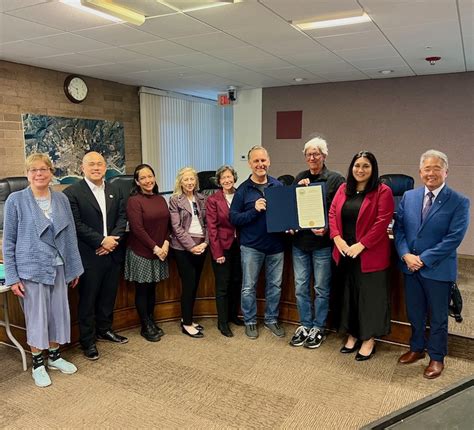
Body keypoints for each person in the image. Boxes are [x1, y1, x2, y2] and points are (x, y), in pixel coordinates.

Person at [3, 153, 84, 388]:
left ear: (51, 172)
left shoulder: (61, 199)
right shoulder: (15, 201)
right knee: (37, 317)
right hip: (32, 269)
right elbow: (8, 242)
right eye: (33, 170)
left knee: (58, 313)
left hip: (58, 266)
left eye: (43, 169)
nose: (39, 174)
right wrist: (13, 276)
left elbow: (69, 236)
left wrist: (74, 267)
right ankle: (38, 363)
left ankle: (55, 357)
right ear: (27, 174)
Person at [394, 150, 469, 379]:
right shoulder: (409, 196)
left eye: (437, 168)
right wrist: (405, 254)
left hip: (437, 269)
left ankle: (436, 357)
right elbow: (399, 229)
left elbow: (454, 238)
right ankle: (416, 348)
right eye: (427, 168)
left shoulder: (459, 201)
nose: (431, 173)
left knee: (437, 317)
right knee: (415, 313)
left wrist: (423, 259)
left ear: (446, 172)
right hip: (410, 266)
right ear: (420, 172)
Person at [329, 151, 394, 361]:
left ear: (373, 169)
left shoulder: (382, 191)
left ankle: (369, 339)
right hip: (344, 252)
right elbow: (332, 213)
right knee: (348, 295)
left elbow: (382, 222)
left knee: (369, 298)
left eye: (366, 166)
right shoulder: (343, 188)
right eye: (357, 165)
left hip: (369, 254)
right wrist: (337, 238)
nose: (360, 170)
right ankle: (352, 334)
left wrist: (362, 245)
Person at [64, 151, 128, 361]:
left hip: (112, 253)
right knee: (88, 299)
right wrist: (101, 241)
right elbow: (76, 224)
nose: (96, 168)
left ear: (105, 167)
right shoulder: (72, 192)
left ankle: (105, 329)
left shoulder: (115, 189)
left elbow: (122, 217)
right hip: (89, 254)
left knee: (108, 295)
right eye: (91, 164)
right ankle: (88, 340)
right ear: (82, 168)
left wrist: (112, 241)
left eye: (100, 164)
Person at [289, 136, 345, 349]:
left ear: (324, 156)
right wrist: (290, 223)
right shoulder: (300, 177)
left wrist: (328, 229)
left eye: (316, 154)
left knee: (321, 288)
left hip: (321, 244)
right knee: (301, 287)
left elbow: (339, 213)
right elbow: (291, 208)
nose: (312, 157)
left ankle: (318, 327)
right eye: (309, 154)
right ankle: (305, 325)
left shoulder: (336, 180)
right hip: (300, 243)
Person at [230, 146, 285, 340]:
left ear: (268, 161)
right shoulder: (243, 190)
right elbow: (234, 218)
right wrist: (254, 210)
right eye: (256, 161)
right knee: (249, 286)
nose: (260, 164)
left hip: (276, 246)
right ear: (250, 164)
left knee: (275, 286)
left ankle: (271, 319)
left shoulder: (278, 186)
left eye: (263, 160)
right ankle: (250, 321)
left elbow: (285, 214)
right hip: (251, 246)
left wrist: (290, 224)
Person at [125, 164, 170, 342]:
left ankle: (151, 320)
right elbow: (137, 229)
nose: (147, 180)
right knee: (143, 290)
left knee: (152, 289)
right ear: (137, 181)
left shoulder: (160, 199)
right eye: (143, 178)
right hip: (141, 252)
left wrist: (166, 243)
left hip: (160, 250)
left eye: (150, 176)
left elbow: (168, 224)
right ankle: (145, 326)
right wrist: (155, 248)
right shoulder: (134, 201)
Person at [169, 167, 208, 338]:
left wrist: (205, 243)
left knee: (195, 284)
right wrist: (192, 246)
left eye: (192, 179)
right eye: (186, 180)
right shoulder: (175, 200)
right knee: (189, 284)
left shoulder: (202, 198)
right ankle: (186, 323)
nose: (190, 183)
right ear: (180, 181)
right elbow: (176, 227)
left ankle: (189, 319)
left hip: (202, 246)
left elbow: (207, 224)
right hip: (183, 248)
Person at [206, 165, 244, 337]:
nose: (227, 180)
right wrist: (217, 253)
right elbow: (212, 228)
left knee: (237, 281)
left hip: (240, 245)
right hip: (222, 246)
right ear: (219, 181)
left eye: (229, 177)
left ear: (234, 178)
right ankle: (222, 322)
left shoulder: (240, 194)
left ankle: (233, 316)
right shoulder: (213, 200)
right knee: (223, 285)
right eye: (223, 178)